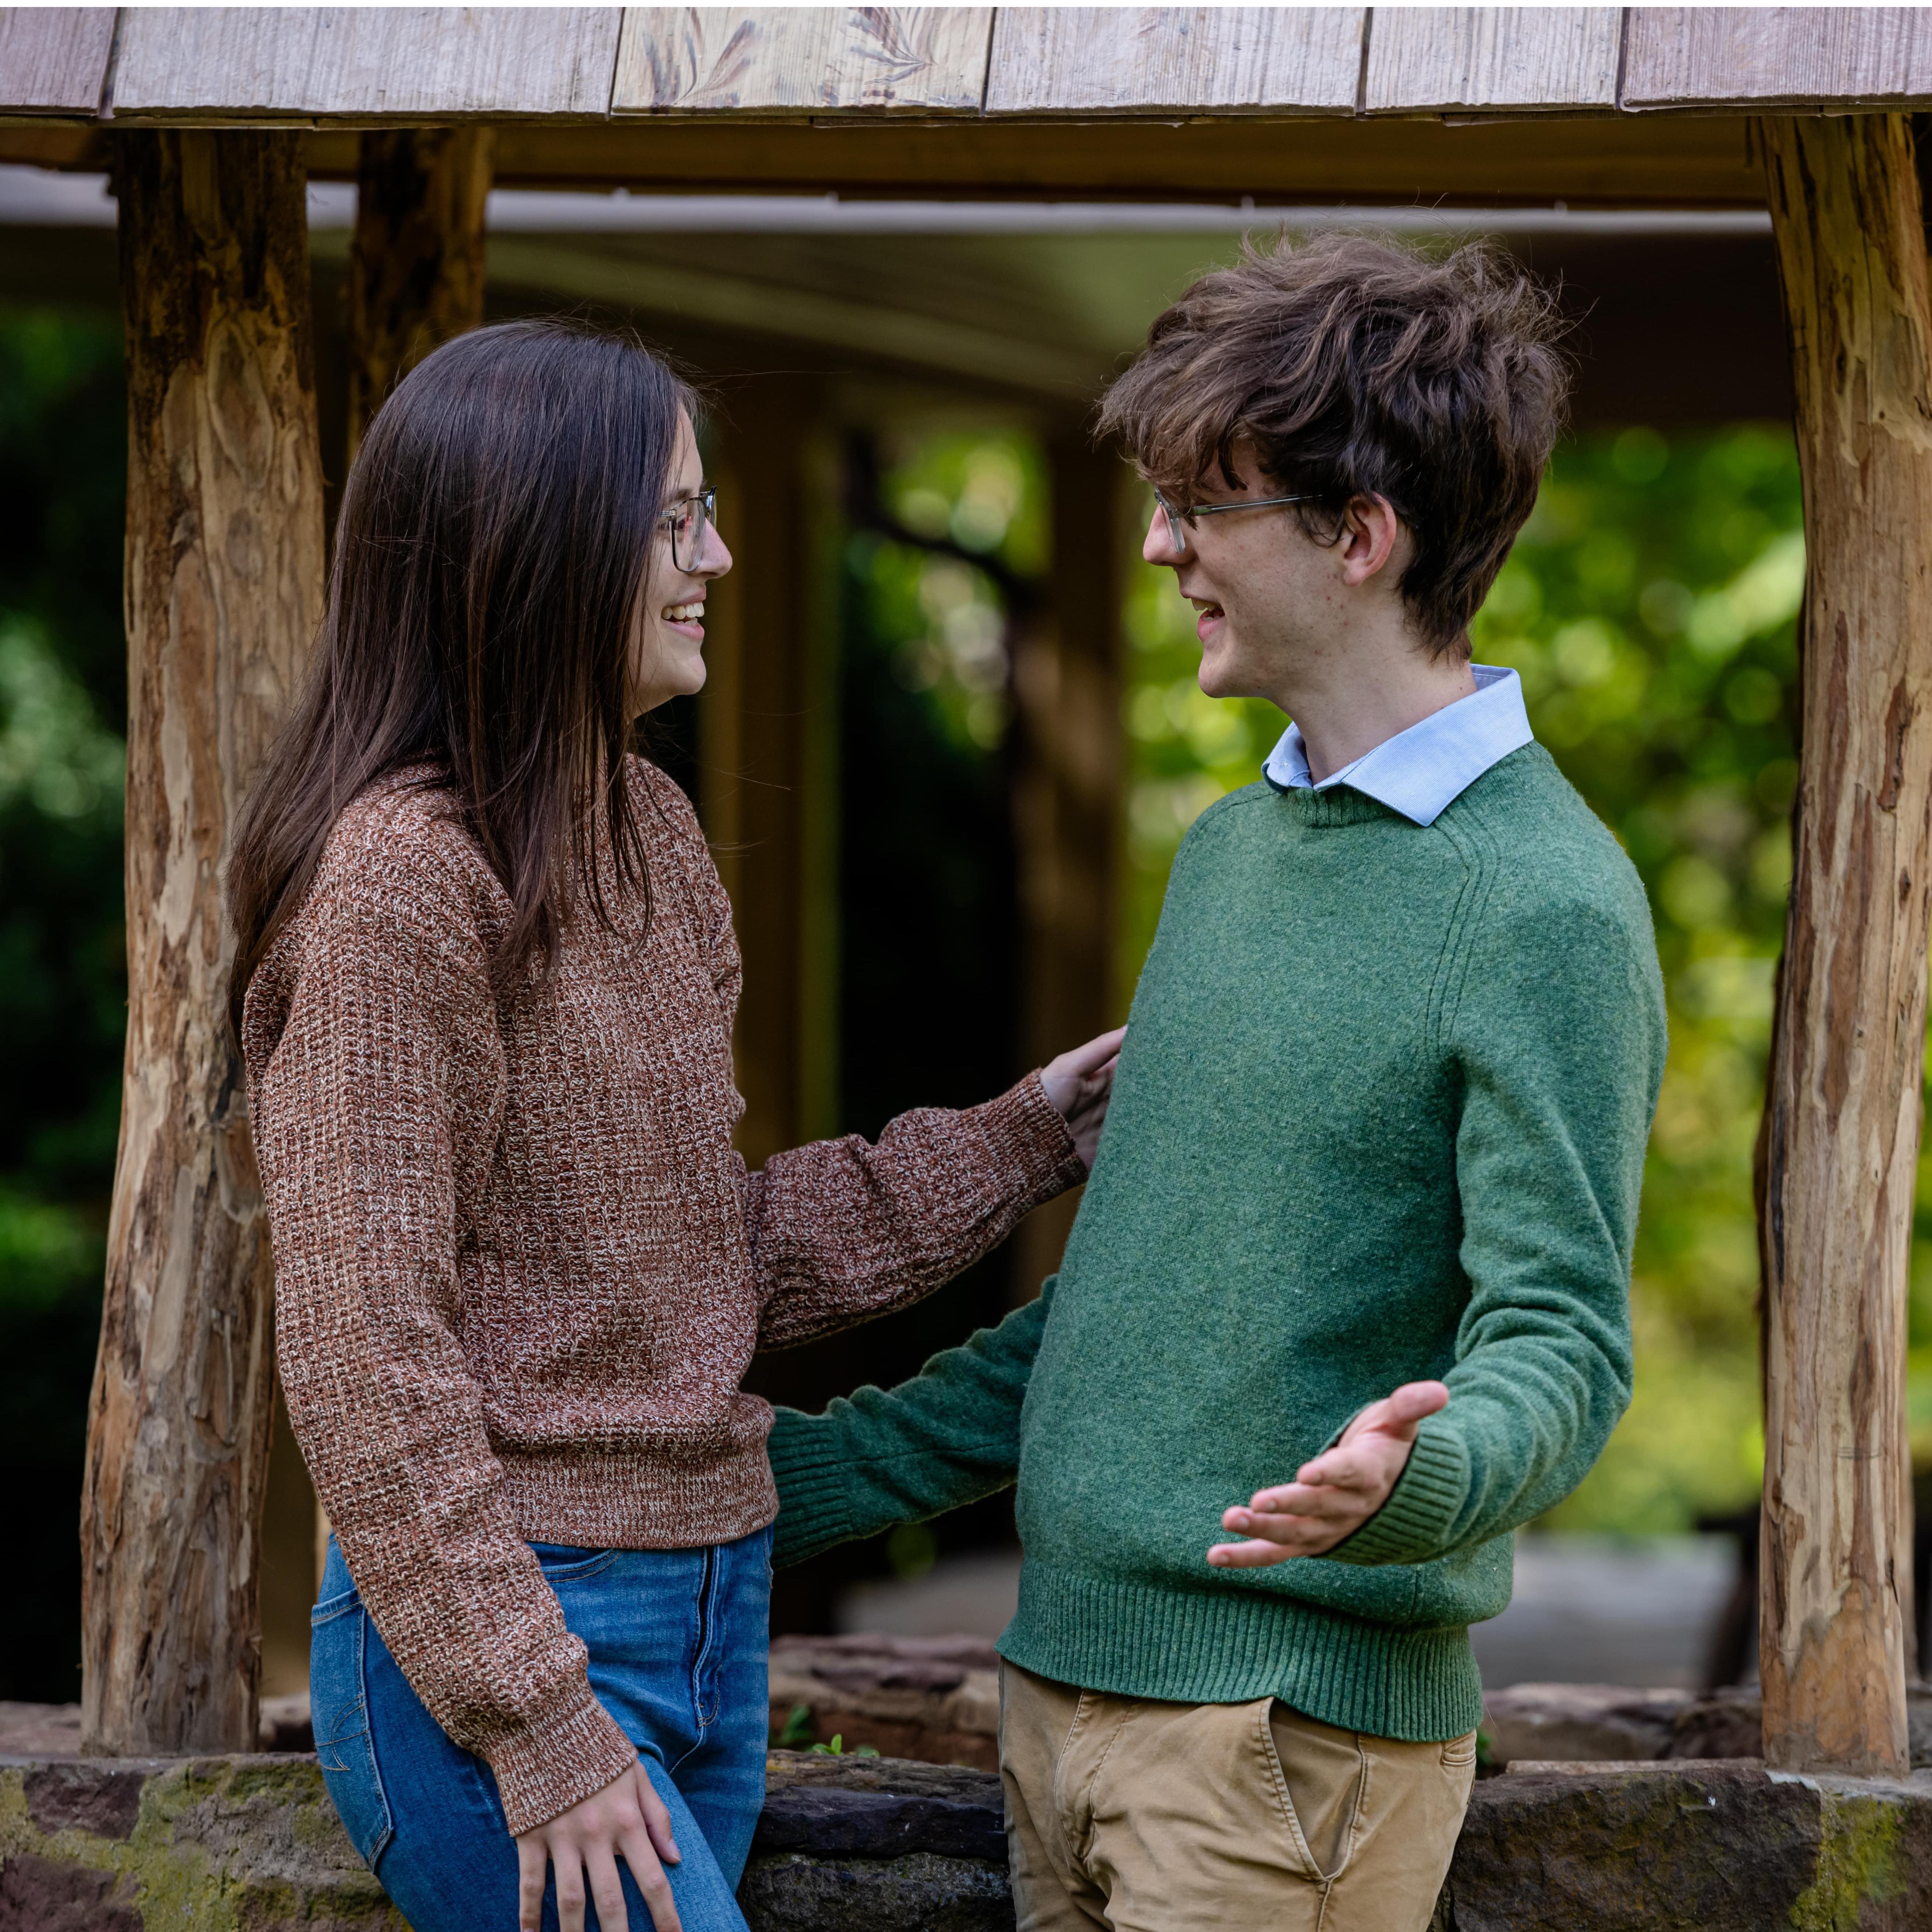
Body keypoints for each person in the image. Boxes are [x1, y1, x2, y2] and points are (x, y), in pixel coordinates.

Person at [768, 233, 1668, 1932]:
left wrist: (1423, 1474)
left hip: (1284, 1744)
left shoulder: (1542, 902)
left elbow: (1558, 1337)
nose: (1160, 542)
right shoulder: (1231, 853)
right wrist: (768, 1486)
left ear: (1356, 536)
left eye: (1204, 503)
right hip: (1058, 1701)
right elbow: (1122, 1310)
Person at [227, 318, 1123, 1932]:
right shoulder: (400, 887)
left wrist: (1021, 1133)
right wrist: (540, 1722)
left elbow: (700, 1261)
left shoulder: (645, 830)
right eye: (671, 522)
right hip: (507, 1648)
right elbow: (366, 1354)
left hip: (708, 1615)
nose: (715, 554)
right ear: (537, 547)